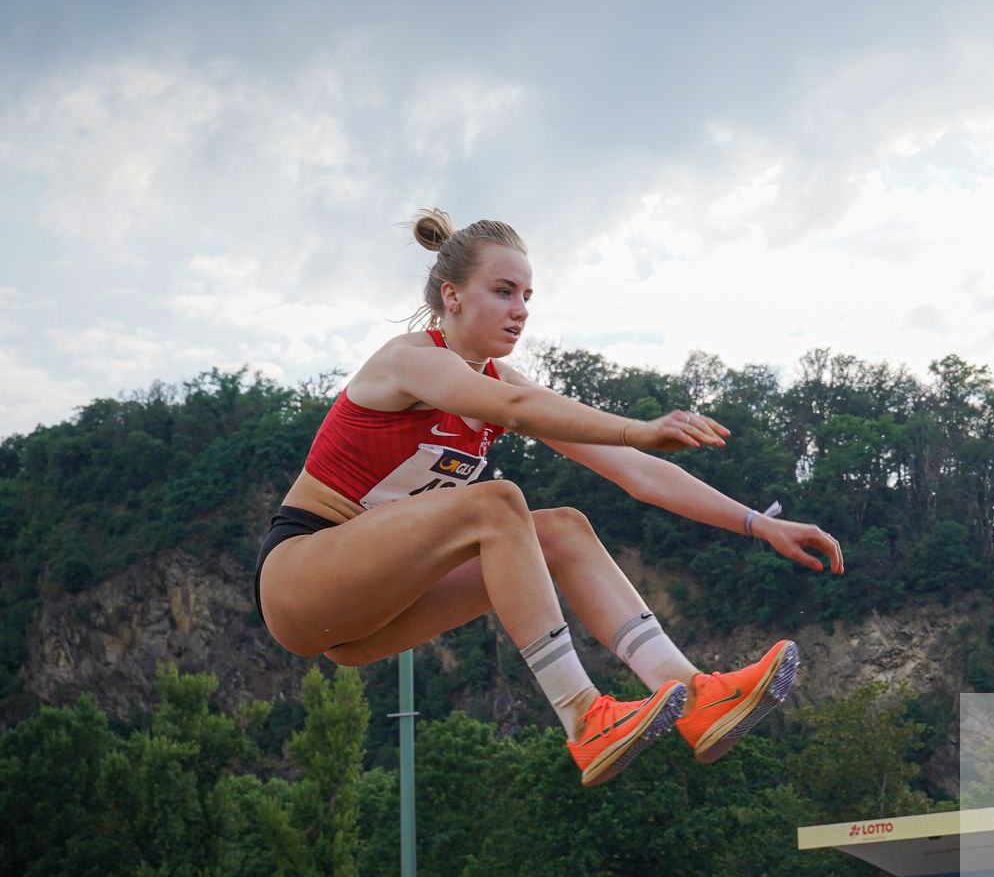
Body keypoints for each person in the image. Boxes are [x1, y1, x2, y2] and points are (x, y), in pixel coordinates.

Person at [254, 210, 842, 787]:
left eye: (528, 296)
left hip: (372, 616)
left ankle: (696, 698)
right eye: (504, 291)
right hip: (301, 580)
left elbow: (637, 472)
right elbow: (516, 411)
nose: (521, 311)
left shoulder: (500, 383)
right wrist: (636, 424)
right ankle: (584, 715)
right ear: (452, 295)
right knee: (497, 502)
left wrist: (757, 525)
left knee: (561, 528)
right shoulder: (408, 361)